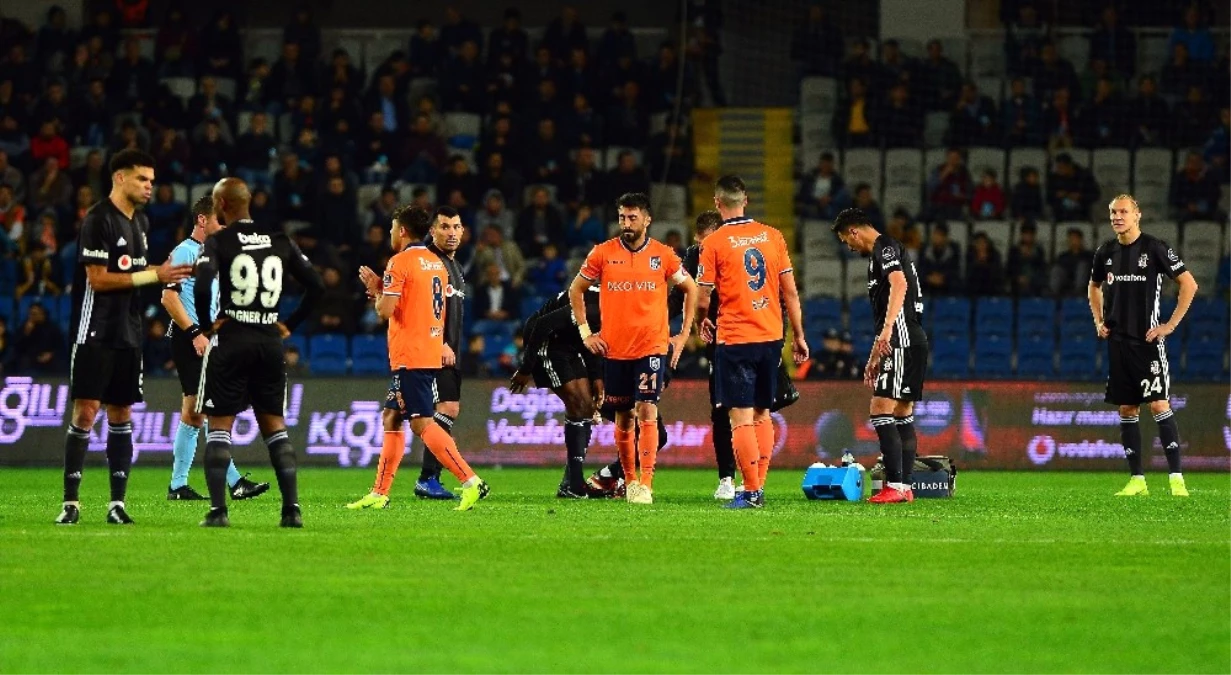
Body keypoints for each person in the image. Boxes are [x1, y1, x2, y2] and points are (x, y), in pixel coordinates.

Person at [56, 149, 195, 526]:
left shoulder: (141, 224)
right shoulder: (98, 219)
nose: (150, 186)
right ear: (120, 178)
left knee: (122, 412)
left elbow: (135, 270)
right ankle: (71, 502)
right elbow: (98, 279)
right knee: (86, 412)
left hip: (128, 332)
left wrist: (165, 271)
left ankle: (117, 504)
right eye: (142, 179)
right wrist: (155, 276)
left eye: (151, 180)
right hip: (94, 329)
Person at [192, 178, 325, 528]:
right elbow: (317, 285)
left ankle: (219, 511)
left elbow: (203, 285)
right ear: (248, 201)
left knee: (220, 428)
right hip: (269, 342)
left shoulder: (219, 241)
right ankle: (291, 510)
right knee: (275, 429)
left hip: (232, 339)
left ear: (221, 204)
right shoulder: (279, 241)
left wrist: (206, 325)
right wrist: (289, 323)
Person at [348, 206, 491, 511]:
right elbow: (425, 307)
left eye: (391, 228)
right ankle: (379, 492)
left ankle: (471, 481)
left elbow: (385, 312)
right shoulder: (435, 263)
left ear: (401, 230)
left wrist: (377, 290)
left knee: (422, 423)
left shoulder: (399, 262)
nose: (389, 234)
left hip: (410, 354)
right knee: (392, 417)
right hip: (427, 348)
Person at [568, 192, 698, 505]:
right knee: (624, 418)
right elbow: (576, 289)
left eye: (633, 217)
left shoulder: (663, 255)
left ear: (647, 219)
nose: (626, 223)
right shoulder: (602, 254)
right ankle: (629, 480)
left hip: (651, 347)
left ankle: (647, 484)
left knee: (647, 410)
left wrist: (682, 335)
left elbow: (690, 287)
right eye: (623, 217)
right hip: (615, 351)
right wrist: (586, 333)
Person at [697, 176, 808, 509]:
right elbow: (789, 291)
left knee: (740, 417)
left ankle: (751, 491)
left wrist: (704, 318)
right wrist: (799, 335)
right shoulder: (773, 236)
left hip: (736, 337)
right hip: (772, 337)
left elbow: (703, 296)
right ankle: (758, 486)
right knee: (762, 413)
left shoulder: (714, 242)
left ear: (718, 204)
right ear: (745, 199)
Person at [1089, 195, 1198, 498]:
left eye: (1123, 211)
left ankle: (1176, 479)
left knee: (1159, 404)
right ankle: (1137, 479)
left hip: (1147, 341)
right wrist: (1099, 320)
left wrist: (1170, 325)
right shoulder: (1105, 252)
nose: (1117, 217)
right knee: (1127, 408)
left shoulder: (1155, 248)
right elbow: (1094, 286)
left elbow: (1189, 284)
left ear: (1137, 214)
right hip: (1118, 342)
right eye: (1113, 212)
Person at [161, 195, 269, 501]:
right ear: (202, 220)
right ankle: (224, 483)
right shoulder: (185, 251)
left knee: (201, 412)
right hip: (189, 338)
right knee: (202, 410)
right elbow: (168, 298)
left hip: (209, 340)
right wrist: (195, 332)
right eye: (219, 221)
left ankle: (183, 485)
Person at [832, 207, 928, 504]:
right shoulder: (884, 253)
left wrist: (887, 332)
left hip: (901, 337)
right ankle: (904, 486)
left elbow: (900, 284)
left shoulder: (884, 247)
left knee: (880, 408)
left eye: (846, 241)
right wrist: (876, 351)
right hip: (908, 337)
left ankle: (897, 485)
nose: (849, 247)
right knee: (901, 413)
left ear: (854, 231)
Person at [509, 285, 609, 498]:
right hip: (547, 341)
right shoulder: (592, 304)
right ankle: (573, 484)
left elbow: (591, 339)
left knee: (587, 407)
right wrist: (526, 368)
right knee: (578, 404)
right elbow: (542, 324)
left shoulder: (612, 305)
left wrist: (596, 376)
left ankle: (571, 483)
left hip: (571, 344)